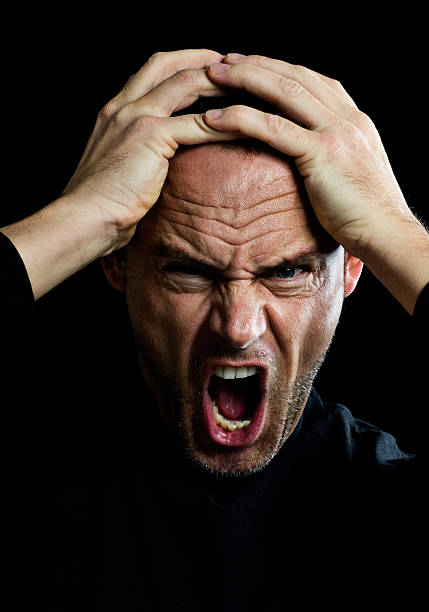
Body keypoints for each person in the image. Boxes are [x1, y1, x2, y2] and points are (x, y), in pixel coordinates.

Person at [1, 49, 427, 610]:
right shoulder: (28, 491)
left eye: (287, 271)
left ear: (353, 267)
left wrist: (391, 230)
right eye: (189, 271)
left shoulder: (393, 505)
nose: (238, 328)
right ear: (116, 261)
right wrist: (86, 213)